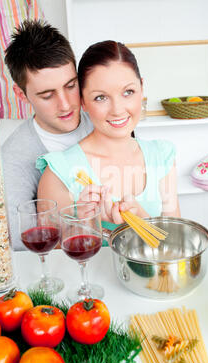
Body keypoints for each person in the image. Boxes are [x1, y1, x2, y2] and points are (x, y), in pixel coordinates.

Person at [36, 40, 180, 232]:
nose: (117, 110)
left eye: (128, 92)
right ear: (83, 102)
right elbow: (51, 256)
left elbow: (173, 247)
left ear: (142, 88)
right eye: (100, 97)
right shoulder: (59, 173)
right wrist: (88, 223)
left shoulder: (161, 156)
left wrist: (143, 220)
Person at [2, 20, 93, 250]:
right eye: (47, 95)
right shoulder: (13, 158)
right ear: (21, 95)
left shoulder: (104, 123)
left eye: (71, 85)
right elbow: (23, 247)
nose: (65, 105)